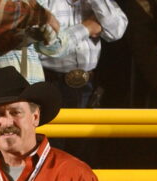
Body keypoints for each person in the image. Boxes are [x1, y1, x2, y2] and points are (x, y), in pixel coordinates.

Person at [40, 0, 128, 164]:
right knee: (50, 158)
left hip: (87, 87)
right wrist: (86, 27)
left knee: (84, 160)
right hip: (49, 84)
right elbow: (48, 45)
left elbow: (117, 30)